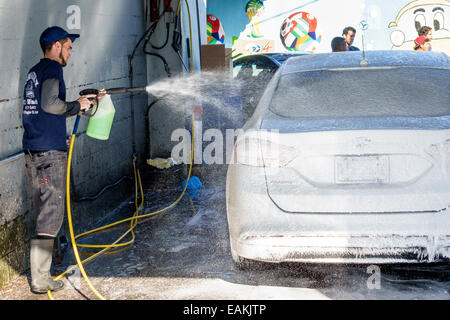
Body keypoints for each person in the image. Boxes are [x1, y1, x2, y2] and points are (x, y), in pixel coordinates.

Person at [22, 26, 99, 294]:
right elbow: (51, 104)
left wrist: (78, 102)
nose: (70, 52)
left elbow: (45, 108)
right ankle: (41, 280)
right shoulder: (54, 69)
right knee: (51, 214)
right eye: (67, 47)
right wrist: (77, 106)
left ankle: (50, 263)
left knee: (45, 211)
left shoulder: (35, 71)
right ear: (56, 46)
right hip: (48, 153)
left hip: (33, 150)